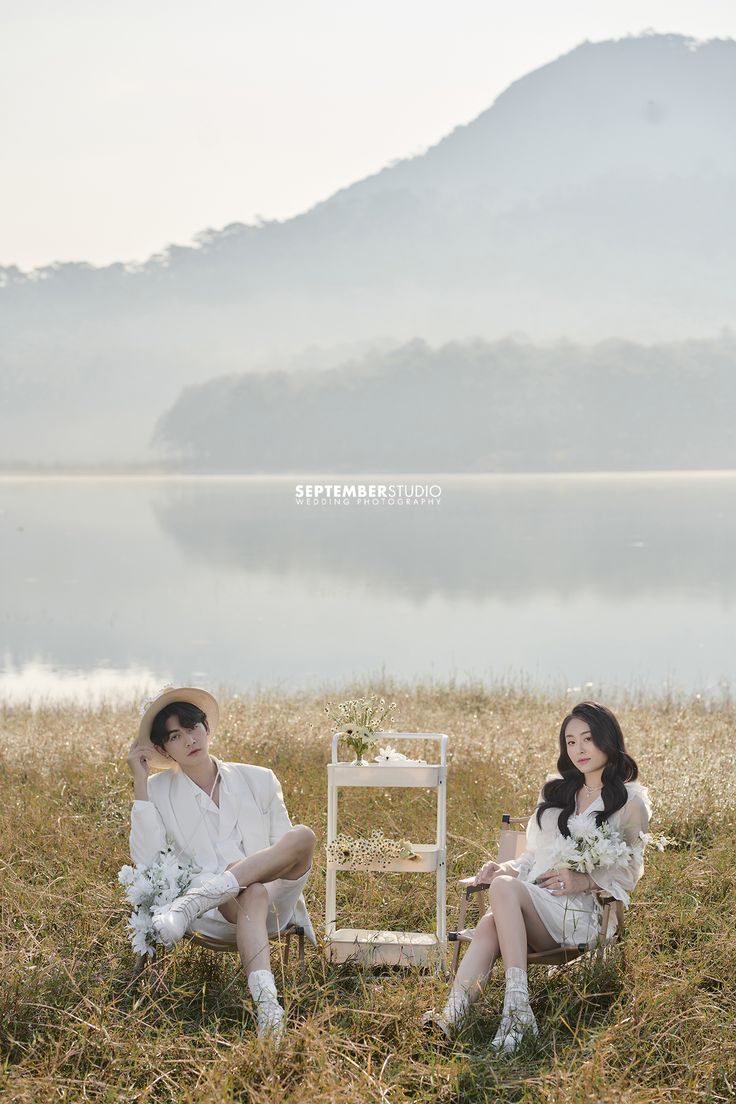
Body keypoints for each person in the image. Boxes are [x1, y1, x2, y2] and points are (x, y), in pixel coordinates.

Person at [423, 700, 650, 1053]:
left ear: (608, 739)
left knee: (495, 911)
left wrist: (584, 881)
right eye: (571, 741)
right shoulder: (556, 791)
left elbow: (630, 870)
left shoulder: (630, 802)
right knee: (490, 918)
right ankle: (454, 1017)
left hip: (578, 912)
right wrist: (505, 869)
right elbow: (532, 857)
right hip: (534, 900)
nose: (579, 749)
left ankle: (515, 1008)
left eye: (588, 738)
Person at [127, 686, 317, 1042]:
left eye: (193, 727)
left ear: (207, 728)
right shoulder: (157, 790)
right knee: (251, 891)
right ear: (162, 749)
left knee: (302, 837)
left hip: (276, 895)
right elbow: (147, 861)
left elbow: (283, 847)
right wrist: (139, 781)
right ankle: (268, 1009)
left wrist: (246, 877)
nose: (189, 740)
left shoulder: (259, 778)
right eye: (175, 736)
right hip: (216, 911)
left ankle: (204, 896)